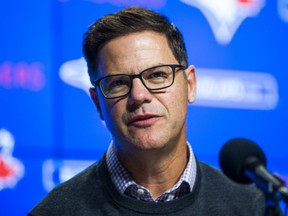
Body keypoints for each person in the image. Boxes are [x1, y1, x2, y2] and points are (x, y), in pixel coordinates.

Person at [28, 6, 266, 215]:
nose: (139, 96)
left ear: (190, 85)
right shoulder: (55, 212)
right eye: (118, 82)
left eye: (157, 75)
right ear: (98, 103)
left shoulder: (252, 207)